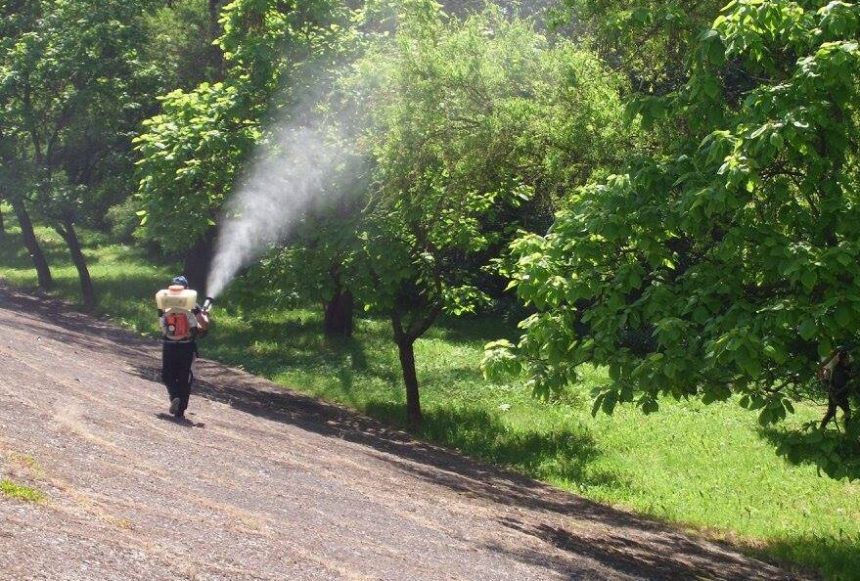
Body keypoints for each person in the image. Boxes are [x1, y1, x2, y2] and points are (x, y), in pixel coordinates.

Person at [158, 275, 208, 419]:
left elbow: (163, 324)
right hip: (187, 346)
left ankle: (174, 396)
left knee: (167, 375)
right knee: (184, 376)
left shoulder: (165, 302)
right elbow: (203, 324)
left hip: (169, 344)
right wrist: (204, 318)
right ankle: (180, 410)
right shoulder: (193, 305)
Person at [819, 346, 853, 429]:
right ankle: (848, 432)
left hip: (836, 394)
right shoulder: (839, 370)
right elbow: (838, 384)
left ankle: (821, 429)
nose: (848, 360)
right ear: (842, 360)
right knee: (847, 413)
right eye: (846, 359)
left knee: (831, 413)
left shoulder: (844, 368)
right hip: (838, 394)